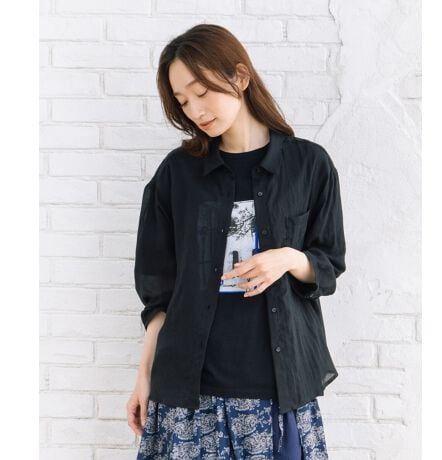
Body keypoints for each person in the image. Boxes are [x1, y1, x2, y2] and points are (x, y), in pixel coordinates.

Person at [126, 23, 346, 459]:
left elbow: (328, 263)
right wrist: (143, 375)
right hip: (190, 391)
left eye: (201, 91)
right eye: (182, 101)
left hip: (277, 386)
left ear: (240, 77)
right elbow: (159, 293)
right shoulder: (177, 174)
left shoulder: (308, 165)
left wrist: (288, 258)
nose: (195, 110)